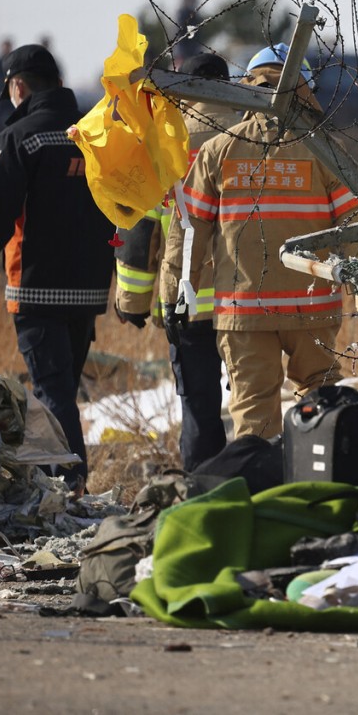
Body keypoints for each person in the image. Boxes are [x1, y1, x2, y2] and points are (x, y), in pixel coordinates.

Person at [160, 44, 358, 441]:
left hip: (244, 312)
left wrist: (173, 296)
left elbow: (190, 230)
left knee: (254, 419)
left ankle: (261, 493)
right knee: (322, 408)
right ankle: (321, 488)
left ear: (247, 86)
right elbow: (354, 227)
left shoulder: (219, 150)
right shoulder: (326, 151)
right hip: (313, 308)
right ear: (305, 88)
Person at [0, 44, 115, 490]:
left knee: (53, 393)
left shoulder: (21, 138)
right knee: (61, 390)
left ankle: (69, 484)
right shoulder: (93, 135)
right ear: (58, 84)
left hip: (37, 291)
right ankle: (57, 477)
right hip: (88, 290)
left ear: (18, 87)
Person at [115, 52, 241, 470]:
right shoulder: (254, 134)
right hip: (249, 299)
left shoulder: (165, 143)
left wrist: (132, 302)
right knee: (253, 401)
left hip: (188, 301)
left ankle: (203, 491)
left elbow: (141, 230)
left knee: (201, 407)